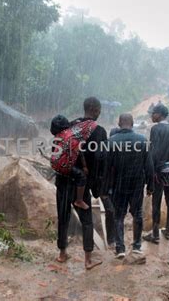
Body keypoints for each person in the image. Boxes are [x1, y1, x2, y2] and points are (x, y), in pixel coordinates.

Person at [54, 97, 107, 270]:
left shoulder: (71, 125)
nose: (99, 113)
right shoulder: (98, 131)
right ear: (95, 109)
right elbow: (100, 159)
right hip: (80, 184)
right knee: (86, 220)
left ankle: (62, 254)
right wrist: (98, 186)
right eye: (99, 110)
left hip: (63, 178)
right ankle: (88, 260)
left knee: (63, 217)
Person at [106, 114, 153, 258]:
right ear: (132, 124)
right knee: (137, 214)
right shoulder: (142, 141)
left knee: (118, 216)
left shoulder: (111, 142)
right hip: (137, 184)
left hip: (118, 185)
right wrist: (150, 186)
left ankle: (120, 249)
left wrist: (105, 188)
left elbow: (107, 168)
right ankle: (137, 246)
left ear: (119, 123)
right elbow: (149, 166)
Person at [144, 103, 169, 244]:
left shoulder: (156, 129)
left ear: (160, 114)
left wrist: (150, 172)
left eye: (153, 113)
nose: (152, 116)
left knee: (156, 202)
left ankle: (155, 234)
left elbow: (153, 152)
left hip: (158, 171)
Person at [50, 115, 90, 210]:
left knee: (63, 211)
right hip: (68, 169)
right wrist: (84, 166)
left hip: (59, 172)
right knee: (82, 177)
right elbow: (80, 153)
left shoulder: (56, 139)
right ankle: (79, 200)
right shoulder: (70, 137)